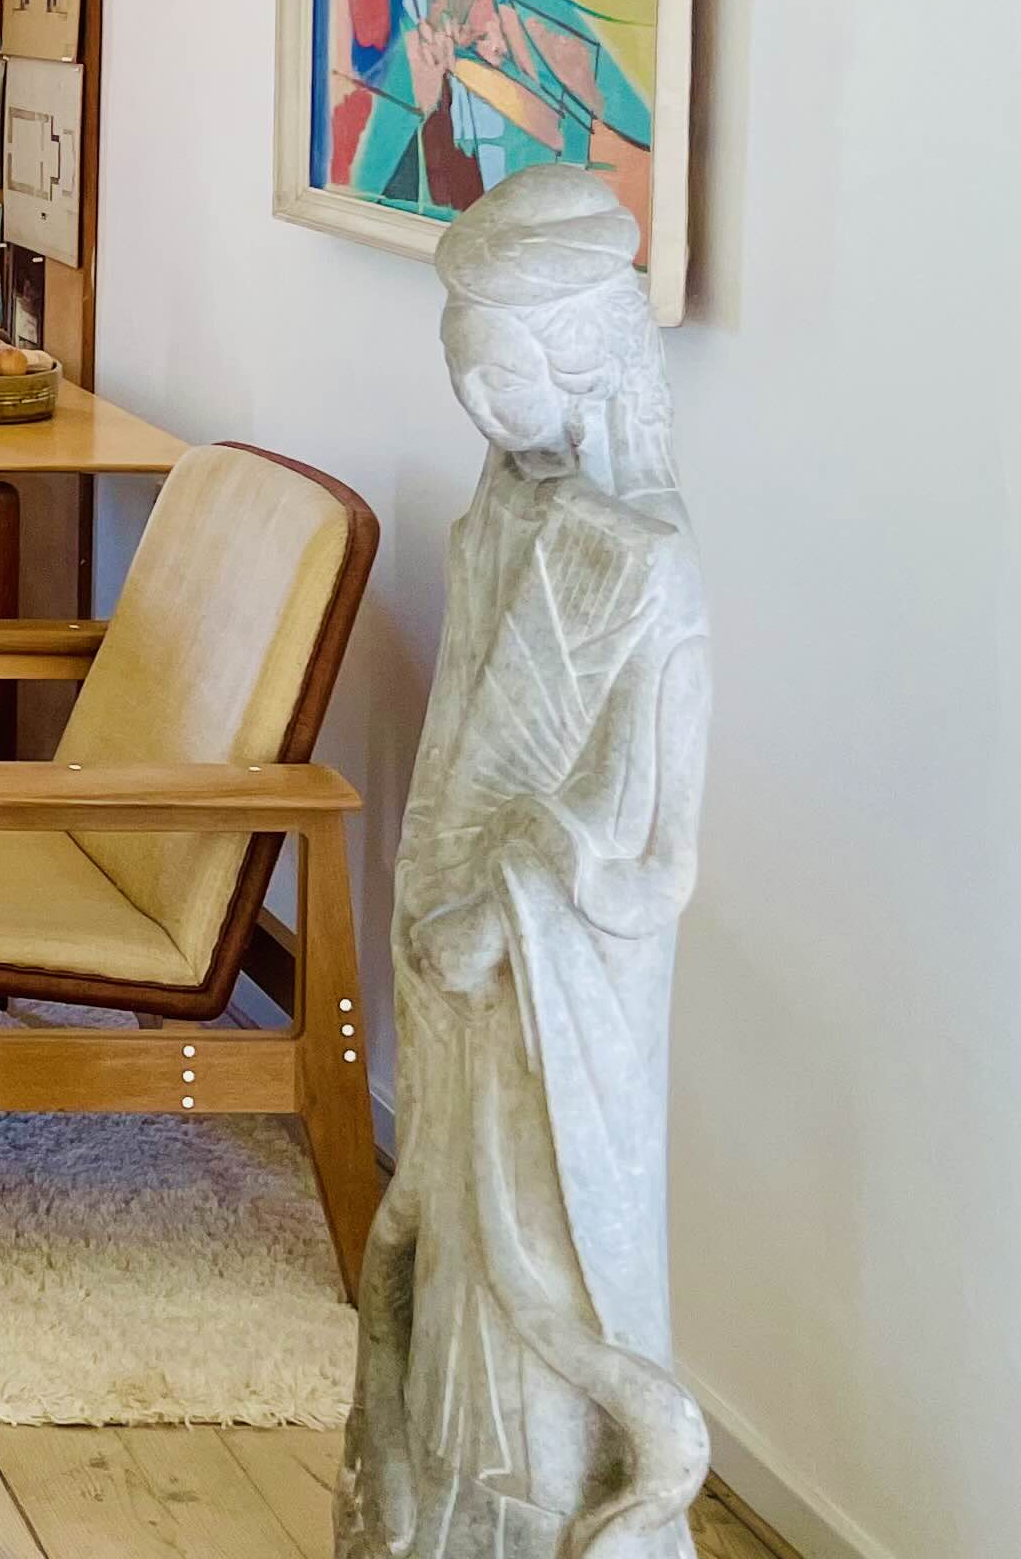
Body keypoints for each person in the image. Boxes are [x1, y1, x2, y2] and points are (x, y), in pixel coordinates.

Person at [342, 166, 711, 1559]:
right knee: (441, 1251)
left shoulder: (643, 568)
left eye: (502, 379)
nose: (481, 412)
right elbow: (465, 761)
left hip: (554, 999)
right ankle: (435, 1510)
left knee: (537, 1253)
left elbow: (651, 843)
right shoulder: (503, 516)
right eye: (466, 380)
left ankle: (544, 1515)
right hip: (454, 956)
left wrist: (500, 915)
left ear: (585, 362)